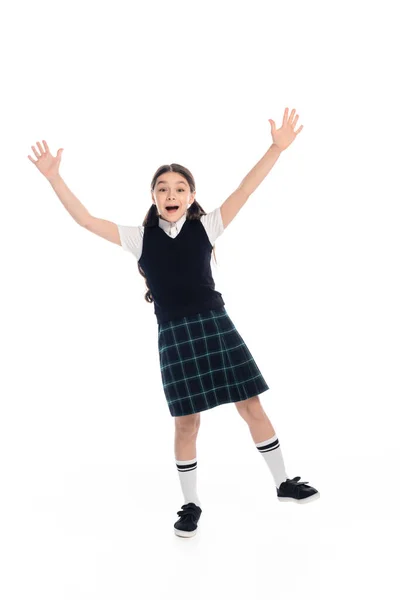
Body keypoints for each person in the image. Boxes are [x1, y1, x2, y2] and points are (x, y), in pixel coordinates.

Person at [28, 107, 320, 539]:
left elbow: (247, 187)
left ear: (190, 195)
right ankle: (190, 503)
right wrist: (54, 178)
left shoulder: (209, 227)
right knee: (187, 422)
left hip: (216, 327)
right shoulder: (137, 238)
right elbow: (86, 220)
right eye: (163, 188)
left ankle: (282, 482)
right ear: (153, 196)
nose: (171, 193)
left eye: (179, 188)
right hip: (175, 337)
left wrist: (275, 149)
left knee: (251, 405)